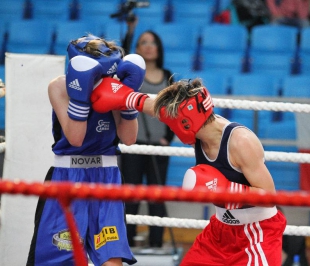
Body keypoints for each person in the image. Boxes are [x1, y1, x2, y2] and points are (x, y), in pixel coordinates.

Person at [89, 77, 287, 265]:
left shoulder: (241, 142)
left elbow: (269, 196)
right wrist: (126, 97)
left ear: (186, 122)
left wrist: (226, 189)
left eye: (174, 120)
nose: (169, 124)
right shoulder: (198, 128)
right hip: (220, 230)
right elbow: (157, 107)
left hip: (257, 232)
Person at [26, 34, 146, 266]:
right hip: (67, 177)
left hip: (106, 177)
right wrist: (81, 96)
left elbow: (129, 138)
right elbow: (75, 138)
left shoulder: (114, 85)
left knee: (112, 259)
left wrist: (126, 99)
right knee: (58, 258)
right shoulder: (59, 87)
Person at [119, 30, 175, 248]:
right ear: (137, 49)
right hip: (133, 145)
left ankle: (156, 246)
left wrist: (167, 139)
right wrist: (129, 31)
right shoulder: (132, 75)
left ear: (159, 48)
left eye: (153, 42)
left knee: (156, 197)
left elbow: (174, 110)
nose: (149, 46)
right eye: (143, 42)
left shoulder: (168, 75)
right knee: (131, 196)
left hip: (159, 148)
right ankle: (126, 245)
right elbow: (121, 61)